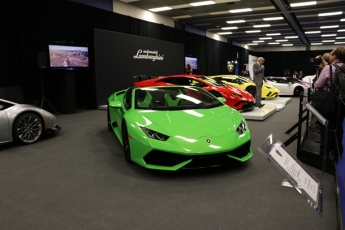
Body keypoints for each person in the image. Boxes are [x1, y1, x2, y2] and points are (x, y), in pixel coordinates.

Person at [313, 47, 345, 158]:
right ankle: (337, 151)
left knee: (326, 127)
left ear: (334, 56)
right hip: (342, 102)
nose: (329, 56)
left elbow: (318, 85)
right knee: (339, 126)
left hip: (330, 102)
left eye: (331, 54)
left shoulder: (329, 68)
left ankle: (324, 153)